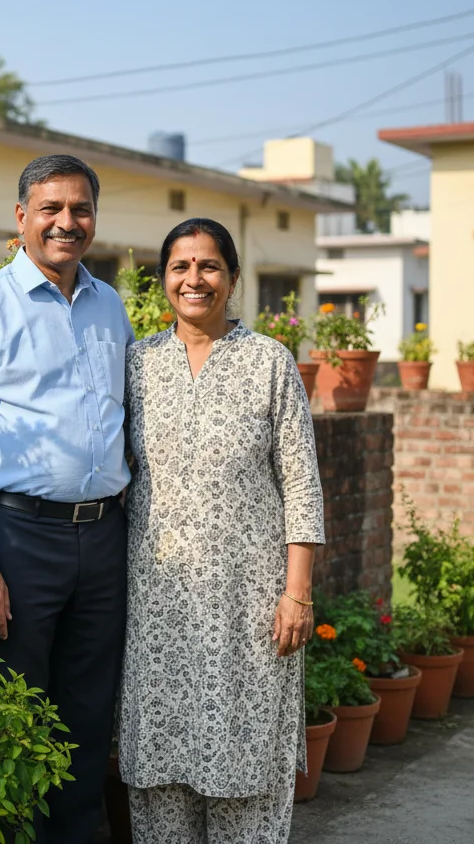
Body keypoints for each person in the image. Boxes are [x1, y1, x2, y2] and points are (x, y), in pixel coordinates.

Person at [0, 153, 134, 844]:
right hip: (20, 541)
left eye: (79, 209)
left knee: (87, 714)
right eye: (51, 209)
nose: (66, 223)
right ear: (21, 217)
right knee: (14, 717)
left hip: (105, 538)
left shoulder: (111, 305)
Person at [118, 217, 326, 844]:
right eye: (180, 267)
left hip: (250, 607)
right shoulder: (138, 363)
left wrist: (297, 593)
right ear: (163, 282)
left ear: (233, 279)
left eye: (209, 266)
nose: (195, 279)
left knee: (244, 765)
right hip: (159, 605)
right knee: (161, 772)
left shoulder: (269, 362)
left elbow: (302, 485)